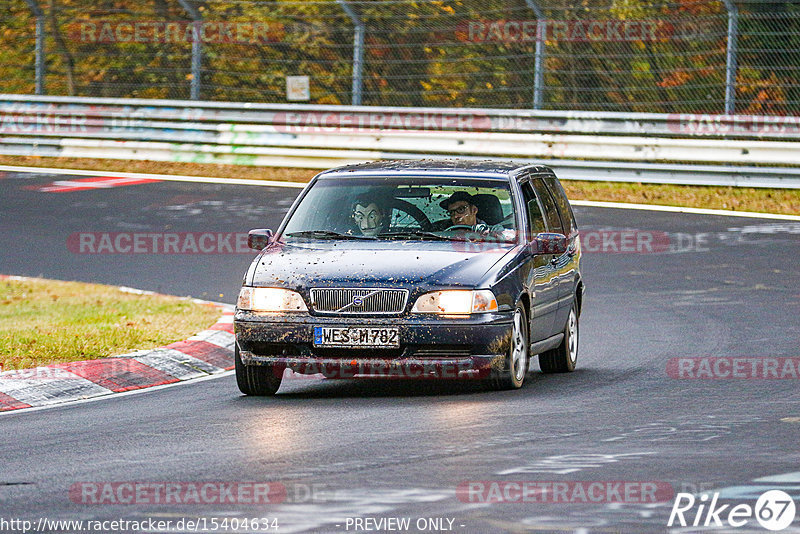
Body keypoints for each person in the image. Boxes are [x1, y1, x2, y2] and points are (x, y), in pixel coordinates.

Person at [439, 191, 503, 235]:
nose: (455, 216)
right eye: (451, 212)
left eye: (461, 209)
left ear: (474, 210)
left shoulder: (492, 230)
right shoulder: (443, 230)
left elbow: (505, 237)